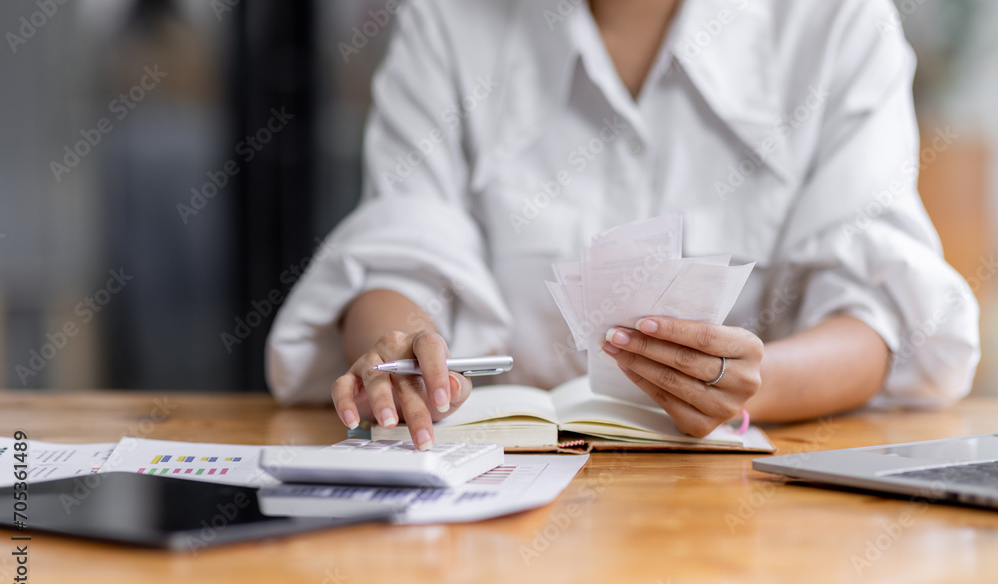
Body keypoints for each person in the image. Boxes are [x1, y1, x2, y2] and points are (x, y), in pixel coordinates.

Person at [266, 0, 980, 448]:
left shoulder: (838, 23)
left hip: (756, 512)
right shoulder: (448, 20)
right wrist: (401, 354)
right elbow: (400, 247)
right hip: (497, 508)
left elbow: (883, 312)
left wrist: (752, 386)